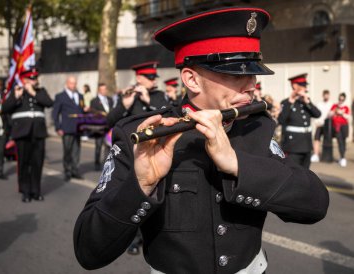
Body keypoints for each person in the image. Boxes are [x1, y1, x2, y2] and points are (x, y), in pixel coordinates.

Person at [74, 7, 329, 274]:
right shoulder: (139, 137)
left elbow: (315, 204)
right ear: (192, 80)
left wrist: (238, 164)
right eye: (235, 74)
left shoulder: (257, 127)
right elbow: (88, 251)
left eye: (253, 73)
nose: (251, 85)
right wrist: (141, 185)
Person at [2, 67, 53, 202]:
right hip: (22, 133)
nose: (34, 80)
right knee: (24, 163)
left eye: (35, 78)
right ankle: (25, 191)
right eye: (31, 78)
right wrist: (15, 97)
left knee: (37, 163)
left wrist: (33, 93)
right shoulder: (17, 91)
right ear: (24, 80)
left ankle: (36, 191)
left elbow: (49, 103)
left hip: (38, 133)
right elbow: (4, 108)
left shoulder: (40, 92)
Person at [106, 61, 169, 128]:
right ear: (138, 78)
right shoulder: (127, 94)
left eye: (155, 78)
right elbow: (109, 122)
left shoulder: (159, 94)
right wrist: (124, 107)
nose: (154, 81)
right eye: (151, 78)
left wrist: (149, 101)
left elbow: (169, 115)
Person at [278, 73, 321, 168]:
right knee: (294, 173)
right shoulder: (286, 103)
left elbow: (318, 114)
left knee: (306, 173)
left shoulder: (306, 102)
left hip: (306, 144)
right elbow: (281, 120)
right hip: (293, 146)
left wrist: (308, 102)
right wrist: (290, 102)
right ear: (294, 86)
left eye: (305, 85)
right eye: (302, 85)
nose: (305, 88)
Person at [52, 76, 85, 181]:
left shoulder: (80, 96)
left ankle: (75, 170)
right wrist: (58, 127)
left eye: (75, 83)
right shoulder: (60, 96)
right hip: (66, 128)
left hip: (78, 128)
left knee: (76, 150)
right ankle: (67, 170)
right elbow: (55, 113)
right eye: (71, 83)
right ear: (67, 83)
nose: (73, 85)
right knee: (67, 150)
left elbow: (81, 110)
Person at [90, 83, 114, 170]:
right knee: (98, 146)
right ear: (99, 90)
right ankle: (97, 163)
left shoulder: (110, 100)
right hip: (99, 127)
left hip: (108, 127)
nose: (104, 91)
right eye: (102, 90)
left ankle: (107, 163)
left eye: (105, 89)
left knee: (108, 146)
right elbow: (92, 114)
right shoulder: (94, 101)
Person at [311, 90, 332, 162]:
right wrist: (316, 123)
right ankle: (316, 155)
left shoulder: (331, 104)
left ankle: (326, 156)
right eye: (325, 95)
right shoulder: (319, 104)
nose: (326, 96)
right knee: (316, 139)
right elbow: (315, 114)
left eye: (327, 95)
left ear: (329, 95)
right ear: (323, 95)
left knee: (327, 141)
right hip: (319, 125)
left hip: (327, 126)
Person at [329, 92, 350, 167]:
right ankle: (343, 158)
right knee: (339, 141)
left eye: (342, 99)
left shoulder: (346, 107)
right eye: (340, 99)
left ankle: (342, 156)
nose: (341, 101)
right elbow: (329, 115)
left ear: (344, 99)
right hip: (337, 126)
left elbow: (348, 117)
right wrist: (335, 111)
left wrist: (342, 113)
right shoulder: (335, 106)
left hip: (344, 126)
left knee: (343, 141)